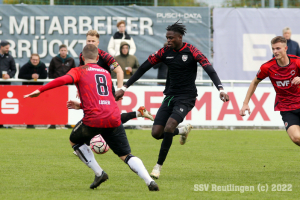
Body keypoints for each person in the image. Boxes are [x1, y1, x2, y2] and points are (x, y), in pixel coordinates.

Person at [24, 44, 159, 191]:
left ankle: (99, 173)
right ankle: (149, 181)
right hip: (113, 117)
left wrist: (40, 90)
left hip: (94, 119)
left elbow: (61, 80)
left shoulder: (79, 70)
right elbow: (103, 99)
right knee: (126, 155)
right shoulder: (106, 73)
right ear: (98, 57)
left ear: (81, 57)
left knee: (74, 141)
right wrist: (81, 105)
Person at [115, 21, 230, 179]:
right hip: (169, 97)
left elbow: (208, 68)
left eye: (171, 38)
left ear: (179, 37)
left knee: (169, 126)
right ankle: (182, 131)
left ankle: (158, 166)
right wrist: (125, 87)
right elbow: (143, 68)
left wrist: (221, 89)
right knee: (156, 133)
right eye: (167, 38)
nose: (168, 40)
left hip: (186, 97)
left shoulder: (191, 51)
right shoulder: (164, 52)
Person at [240, 36, 300, 148]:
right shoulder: (267, 67)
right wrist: (245, 103)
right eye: (273, 49)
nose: (275, 51)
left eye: (278, 48)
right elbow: (254, 82)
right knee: (296, 138)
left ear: (286, 48)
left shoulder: (297, 62)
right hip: (287, 108)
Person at [48, 44, 76, 129]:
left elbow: (73, 71)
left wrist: (71, 81)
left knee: (67, 105)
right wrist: (54, 81)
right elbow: (50, 72)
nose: (63, 52)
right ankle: (53, 123)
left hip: (68, 86)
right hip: (57, 86)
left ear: (67, 51)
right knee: (55, 104)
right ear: (59, 51)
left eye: (65, 50)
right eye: (62, 50)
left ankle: (67, 122)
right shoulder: (54, 60)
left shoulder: (71, 60)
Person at [18, 53, 47, 129]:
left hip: (38, 89)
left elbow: (45, 76)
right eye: (33, 60)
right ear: (30, 60)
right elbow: (20, 76)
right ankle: (29, 123)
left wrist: (39, 76)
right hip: (27, 89)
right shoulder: (26, 66)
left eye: (36, 60)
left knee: (38, 106)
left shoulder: (42, 66)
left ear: (39, 60)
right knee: (28, 107)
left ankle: (37, 121)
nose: (35, 61)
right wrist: (30, 76)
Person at [0, 40, 16, 128]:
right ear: (1, 47)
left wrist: (9, 75)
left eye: (8, 48)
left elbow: (14, 70)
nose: (7, 50)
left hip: (5, 85)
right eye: (6, 48)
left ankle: (4, 123)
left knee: (4, 105)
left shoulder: (10, 57)